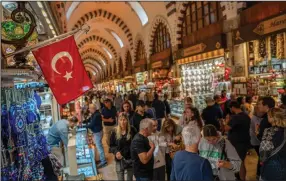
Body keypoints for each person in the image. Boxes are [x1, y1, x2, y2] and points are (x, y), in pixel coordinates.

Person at [224, 101, 251, 180]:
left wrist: (227, 120)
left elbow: (226, 128)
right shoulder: (246, 116)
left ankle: (241, 178)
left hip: (237, 143)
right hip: (245, 141)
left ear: (232, 108)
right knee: (242, 161)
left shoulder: (236, 117)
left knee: (239, 162)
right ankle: (242, 177)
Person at [259, 108, 286, 181]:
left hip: (272, 167)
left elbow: (264, 153)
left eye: (268, 115)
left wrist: (262, 162)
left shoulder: (269, 131)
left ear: (272, 117)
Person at [109, 113, 137, 181]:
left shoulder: (132, 130)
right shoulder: (114, 131)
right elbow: (111, 146)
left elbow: (136, 143)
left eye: (124, 120)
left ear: (127, 120)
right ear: (118, 121)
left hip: (130, 159)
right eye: (120, 120)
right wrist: (116, 152)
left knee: (129, 179)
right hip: (119, 159)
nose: (122, 122)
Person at [83, 104, 107, 168]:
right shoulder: (95, 113)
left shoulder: (96, 115)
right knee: (99, 146)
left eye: (89, 109)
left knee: (99, 147)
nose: (89, 110)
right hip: (98, 132)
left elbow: (92, 124)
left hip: (98, 132)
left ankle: (103, 161)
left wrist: (83, 126)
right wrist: (84, 122)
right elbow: (90, 120)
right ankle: (102, 159)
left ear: (92, 108)